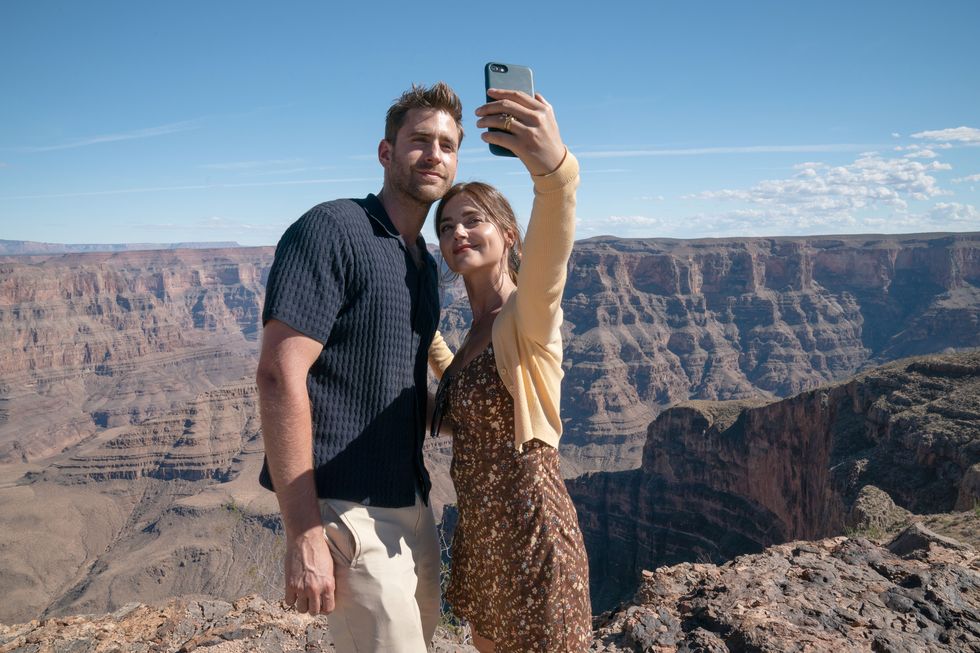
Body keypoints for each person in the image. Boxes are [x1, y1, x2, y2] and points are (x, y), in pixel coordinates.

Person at [255, 82, 463, 652]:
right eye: (419, 139)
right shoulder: (333, 229)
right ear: (386, 152)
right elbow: (278, 373)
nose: (434, 154)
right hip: (347, 512)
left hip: (411, 504)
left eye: (447, 144)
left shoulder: (421, 262)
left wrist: (482, 418)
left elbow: (395, 390)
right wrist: (302, 533)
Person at [428, 88, 591, 652]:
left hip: (530, 529)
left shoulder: (528, 316)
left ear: (508, 233)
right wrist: (426, 337)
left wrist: (554, 172)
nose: (457, 235)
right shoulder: (477, 331)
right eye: (445, 227)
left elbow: (553, 254)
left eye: (472, 221)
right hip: (483, 535)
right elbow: (467, 406)